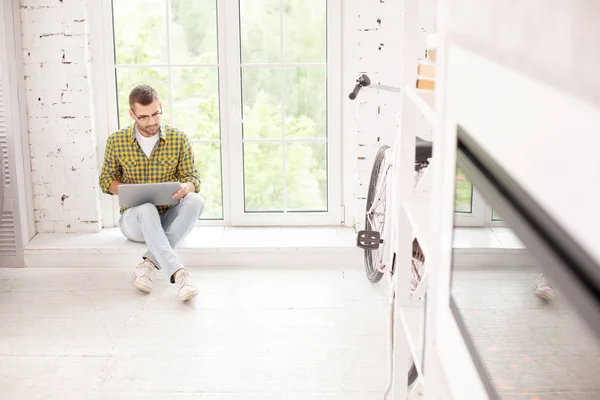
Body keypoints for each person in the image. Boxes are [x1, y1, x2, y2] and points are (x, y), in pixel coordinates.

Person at [99, 84, 204, 301]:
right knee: (146, 208)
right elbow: (106, 181)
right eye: (144, 117)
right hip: (134, 221)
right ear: (132, 114)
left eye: (156, 114)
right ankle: (179, 273)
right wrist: (127, 190)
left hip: (167, 216)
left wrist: (187, 187)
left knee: (195, 200)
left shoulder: (178, 138)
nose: (152, 122)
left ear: (161, 107)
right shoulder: (116, 141)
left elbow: (193, 179)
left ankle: (148, 265)